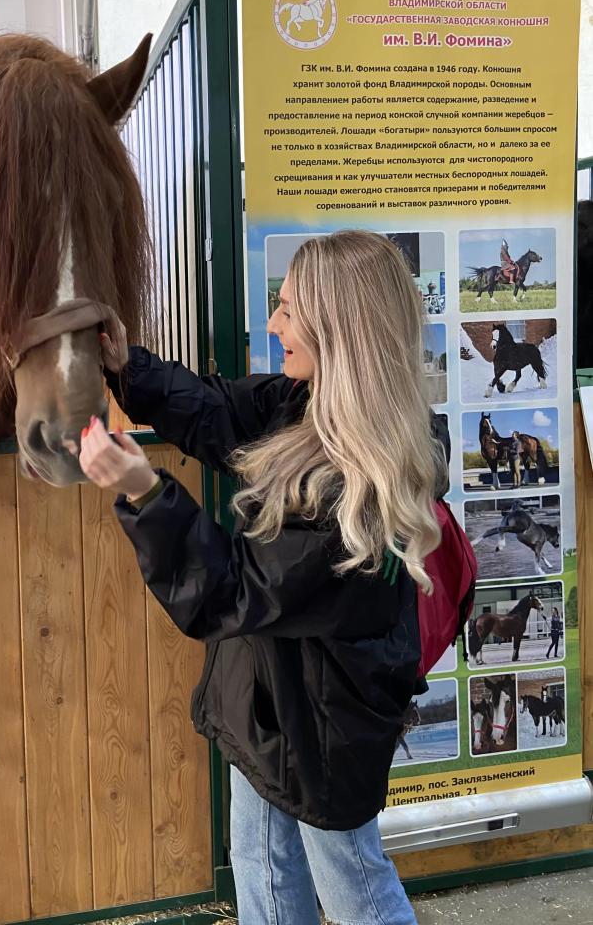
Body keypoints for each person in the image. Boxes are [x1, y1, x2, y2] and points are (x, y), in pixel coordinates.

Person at [79, 231, 450, 925]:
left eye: (288, 309)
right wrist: (130, 370)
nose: (274, 323)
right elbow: (221, 415)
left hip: (321, 727)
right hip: (272, 704)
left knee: (352, 886)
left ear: (342, 325)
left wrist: (147, 494)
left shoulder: (359, 479)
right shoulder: (305, 406)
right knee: (264, 869)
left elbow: (233, 592)